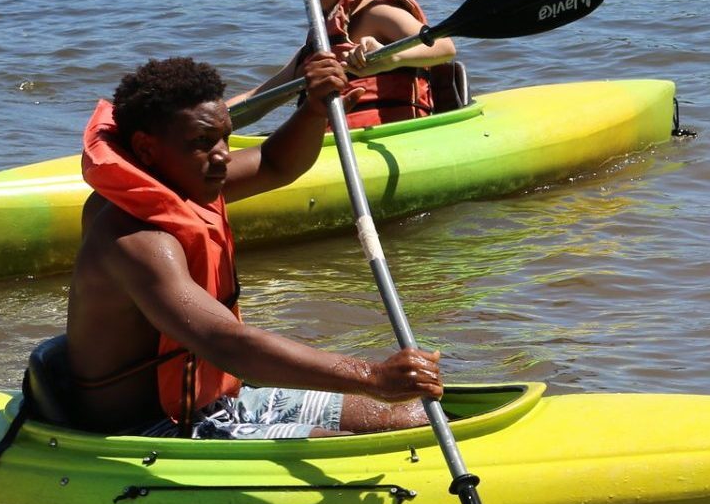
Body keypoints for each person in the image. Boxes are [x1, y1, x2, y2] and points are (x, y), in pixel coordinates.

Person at [61, 54, 440, 438]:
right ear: (145, 149)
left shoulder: (186, 180)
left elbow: (276, 163)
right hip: (150, 428)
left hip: (216, 403)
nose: (223, 154)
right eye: (203, 142)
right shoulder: (135, 240)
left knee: (414, 419)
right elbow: (226, 345)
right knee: (348, 451)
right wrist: (372, 377)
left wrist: (312, 110)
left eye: (225, 137)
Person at [233, 0, 457, 129]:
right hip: (330, 143)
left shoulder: (377, 14)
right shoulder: (318, 43)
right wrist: (209, 120)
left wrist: (392, 57)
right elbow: (258, 100)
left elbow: (445, 47)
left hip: (388, 137)